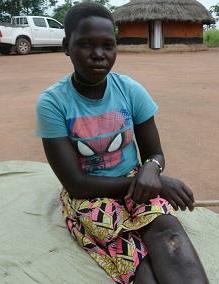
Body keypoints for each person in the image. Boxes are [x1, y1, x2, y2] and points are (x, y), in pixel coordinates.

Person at [35, 2, 209, 283]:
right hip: (90, 195)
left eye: (108, 45)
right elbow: (76, 184)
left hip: (137, 182)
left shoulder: (130, 90)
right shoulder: (53, 103)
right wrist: (155, 182)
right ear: (67, 46)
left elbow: (154, 153)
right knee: (138, 263)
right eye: (86, 44)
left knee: (169, 236)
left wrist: (152, 169)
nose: (99, 55)